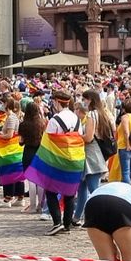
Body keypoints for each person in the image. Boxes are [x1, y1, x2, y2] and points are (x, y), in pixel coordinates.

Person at [44, 89, 81, 236]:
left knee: (51, 191)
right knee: (70, 192)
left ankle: (57, 222)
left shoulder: (55, 119)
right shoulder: (77, 119)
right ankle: (66, 224)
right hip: (74, 159)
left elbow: (47, 140)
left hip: (58, 159)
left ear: (57, 102)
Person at [73, 89, 112, 226]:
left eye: (85, 99)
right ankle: (77, 217)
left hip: (91, 154)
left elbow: (88, 137)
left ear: (90, 100)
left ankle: (101, 217)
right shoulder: (103, 114)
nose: (83, 102)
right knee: (83, 187)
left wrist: (76, 136)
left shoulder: (92, 115)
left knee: (93, 189)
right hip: (95, 154)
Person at [19, 100, 47, 216]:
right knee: (40, 180)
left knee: (31, 180)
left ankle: (32, 205)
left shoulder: (23, 124)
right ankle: (41, 205)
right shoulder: (43, 123)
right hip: (40, 152)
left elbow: (20, 141)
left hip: (28, 151)